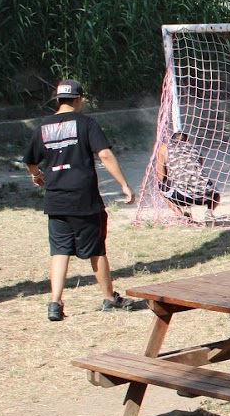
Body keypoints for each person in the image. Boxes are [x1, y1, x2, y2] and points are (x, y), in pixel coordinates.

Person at [23, 79, 144, 321]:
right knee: (96, 250)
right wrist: (123, 184)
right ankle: (109, 298)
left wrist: (36, 175)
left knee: (59, 251)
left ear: (58, 100)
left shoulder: (43, 127)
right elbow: (105, 154)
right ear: (79, 99)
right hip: (84, 198)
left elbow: (30, 160)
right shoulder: (86, 123)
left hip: (56, 200)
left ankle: (55, 304)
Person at [156, 131, 221, 218]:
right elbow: (197, 170)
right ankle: (209, 212)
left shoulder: (164, 148)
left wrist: (170, 173)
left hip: (181, 196)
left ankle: (181, 215)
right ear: (187, 141)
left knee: (161, 186)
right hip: (206, 196)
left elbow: (160, 176)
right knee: (215, 191)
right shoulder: (195, 148)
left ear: (171, 141)